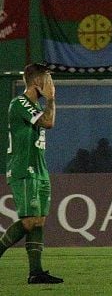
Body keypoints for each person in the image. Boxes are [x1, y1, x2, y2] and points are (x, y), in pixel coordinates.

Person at [0, 63, 63, 284]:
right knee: (29, 221)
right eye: (48, 79)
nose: (51, 84)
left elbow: (50, 122)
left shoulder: (35, 107)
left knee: (39, 221)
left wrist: (50, 101)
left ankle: (35, 272)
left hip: (39, 169)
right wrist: (52, 100)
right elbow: (48, 121)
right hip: (23, 169)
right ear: (37, 82)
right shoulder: (19, 103)